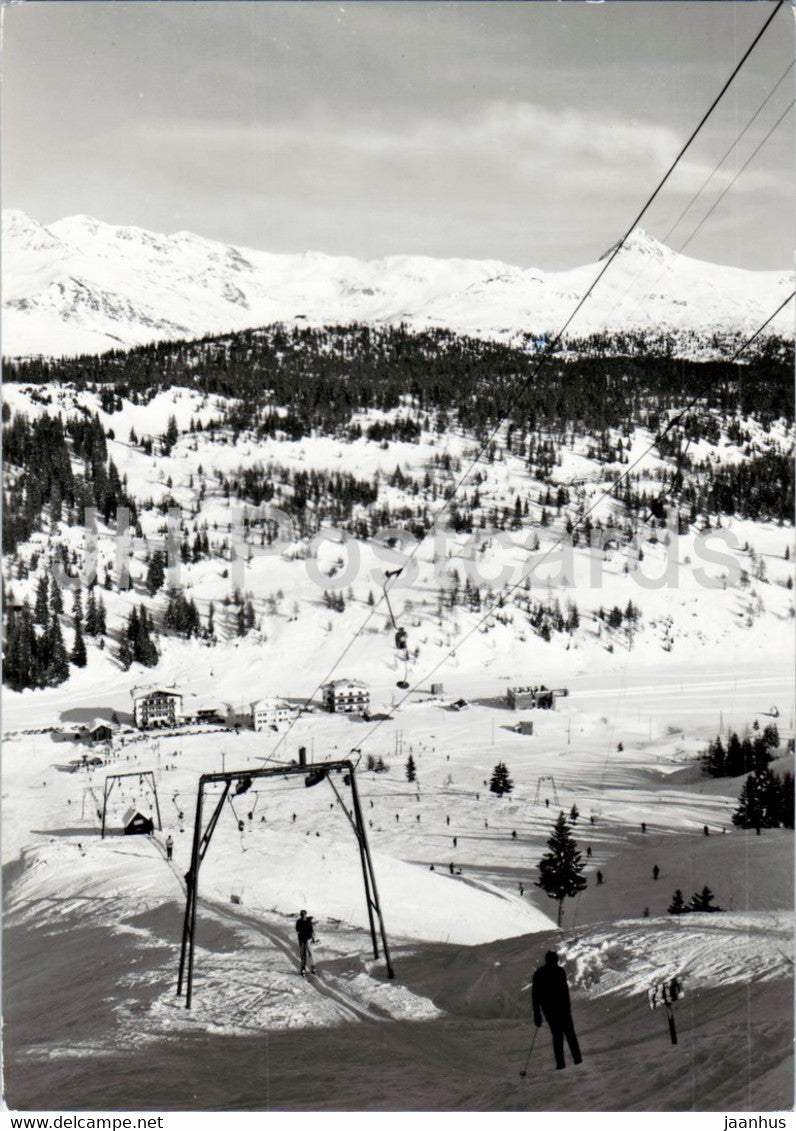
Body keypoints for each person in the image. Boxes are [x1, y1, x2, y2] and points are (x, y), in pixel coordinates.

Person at [532, 951, 582, 1071]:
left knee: (557, 1035)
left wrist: (537, 1014)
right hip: (561, 1008)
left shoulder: (539, 973)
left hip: (549, 1009)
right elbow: (565, 992)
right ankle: (577, 1059)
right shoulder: (560, 971)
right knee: (569, 1034)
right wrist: (567, 1008)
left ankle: (561, 1064)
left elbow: (535, 996)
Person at [295, 909, 316, 975]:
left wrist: (311, 937)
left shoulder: (309, 921)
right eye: (302, 915)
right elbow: (297, 930)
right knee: (302, 954)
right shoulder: (299, 921)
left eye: (304, 915)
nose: (303, 916)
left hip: (308, 939)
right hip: (301, 940)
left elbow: (311, 931)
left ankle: (313, 966)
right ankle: (303, 967)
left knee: (311, 954)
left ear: (306, 915)